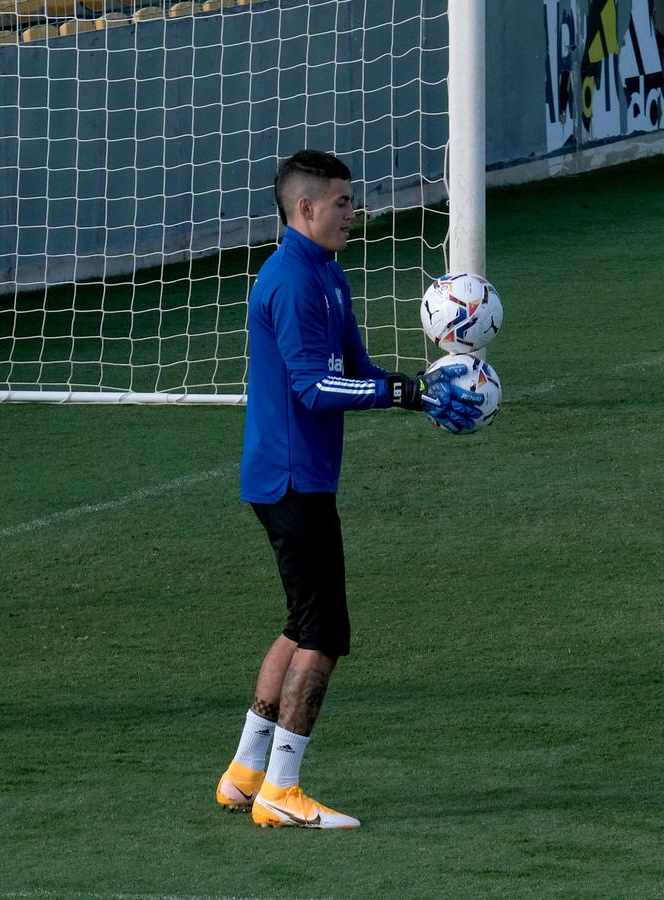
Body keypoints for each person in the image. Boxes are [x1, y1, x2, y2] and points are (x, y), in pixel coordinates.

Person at [216, 149, 483, 828]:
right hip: (289, 478)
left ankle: (246, 773)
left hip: (296, 476)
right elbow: (313, 387)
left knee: (299, 623)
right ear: (304, 208)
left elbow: (353, 366)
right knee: (325, 634)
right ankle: (282, 790)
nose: (352, 213)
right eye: (341, 203)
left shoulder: (326, 273)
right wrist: (400, 392)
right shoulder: (291, 282)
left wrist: (420, 395)